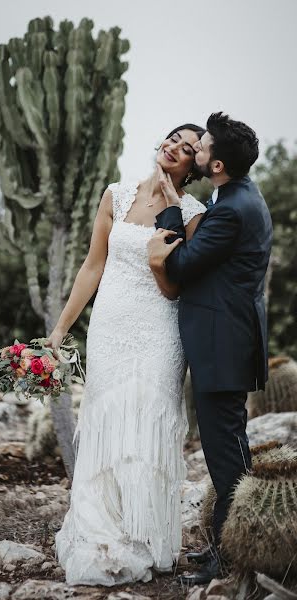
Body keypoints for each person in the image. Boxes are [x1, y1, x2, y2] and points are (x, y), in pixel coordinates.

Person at [47, 123, 207, 586]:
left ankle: (144, 533)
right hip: (110, 326)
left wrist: (162, 259)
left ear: (195, 165)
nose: (178, 147)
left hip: (159, 330)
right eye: (175, 138)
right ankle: (102, 529)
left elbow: (178, 285)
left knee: (148, 421)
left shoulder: (193, 213)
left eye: (191, 148)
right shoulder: (116, 194)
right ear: (161, 143)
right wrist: (60, 329)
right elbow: (93, 265)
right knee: (105, 419)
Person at [148, 112, 273, 585]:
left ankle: (234, 559)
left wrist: (166, 205)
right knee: (230, 452)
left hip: (222, 346)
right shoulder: (240, 194)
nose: (196, 148)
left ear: (216, 164)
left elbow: (179, 264)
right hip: (230, 341)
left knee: (226, 458)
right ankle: (227, 545)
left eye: (202, 146)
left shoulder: (230, 211)